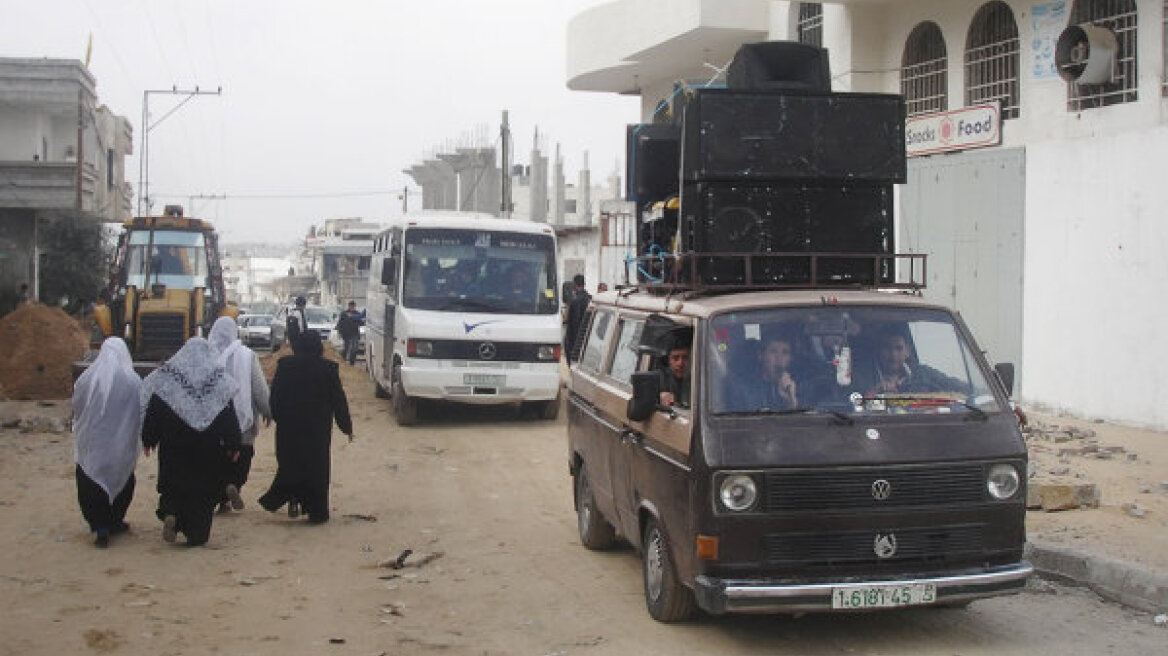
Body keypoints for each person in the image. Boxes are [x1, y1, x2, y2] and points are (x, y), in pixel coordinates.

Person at [140, 338, 242, 546]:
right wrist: (234, 443)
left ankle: (172, 515)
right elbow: (228, 416)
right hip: (207, 450)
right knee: (202, 494)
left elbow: (155, 411)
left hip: (174, 448)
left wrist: (149, 439)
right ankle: (196, 534)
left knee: (174, 486)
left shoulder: (169, 379)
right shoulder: (218, 381)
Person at [259, 332, 354, 524]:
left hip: (289, 428)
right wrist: (347, 427)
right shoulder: (328, 369)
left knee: (290, 464)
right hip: (316, 430)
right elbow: (338, 401)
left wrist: (278, 417)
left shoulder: (285, 366)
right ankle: (316, 512)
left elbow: (275, 396)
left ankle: (291, 500)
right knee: (316, 469)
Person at [71, 337, 141, 548]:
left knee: (91, 482)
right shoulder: (132, 380)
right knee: (123, 481)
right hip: (120, 444)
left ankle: (100, 527)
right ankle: (115, 521)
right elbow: (139, 411)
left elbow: (77, 407)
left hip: (93, 444)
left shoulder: (86, 379)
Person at [208, 316, 272, 514]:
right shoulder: (247, 355)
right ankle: (233, 486)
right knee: (242, 456)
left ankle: (220, 498)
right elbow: (258, 387)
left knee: (217, 459)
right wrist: (268, 410)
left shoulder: (206, 354)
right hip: (243, 418)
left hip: (214, 421)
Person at [857, 326, 968, 396]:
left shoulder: (924, 374)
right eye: (887, 348)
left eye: (899, 348)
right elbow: (848, 405)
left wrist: (980, 393)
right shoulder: (861, 376)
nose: (893, 354)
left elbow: (954, 385)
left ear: (908, 352)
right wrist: (874, 391)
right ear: (879, 350)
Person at [736, 331, 800, 411]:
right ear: (761, 355)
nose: (779, 358)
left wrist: (790, 400)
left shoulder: (799, 387)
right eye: (773, 351)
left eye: (785, 352)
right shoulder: (745, 389)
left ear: (791, 358)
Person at [564, 274, 590, 364]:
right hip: (587, 340)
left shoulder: (574, 301)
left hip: (574, 341)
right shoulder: (590, 299)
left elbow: (573, 323)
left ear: (574, 285)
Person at [658, 341, 691, 409]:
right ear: (669, 361)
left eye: (685, 358)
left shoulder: (702, 381)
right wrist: (658, 398)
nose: (680, 363)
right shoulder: (659, 378)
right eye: (675, 358)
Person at [335, 301, 362, 365]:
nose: (352, 307)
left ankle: (352, 362)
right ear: (349, 306)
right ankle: (343, 359)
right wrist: (339, 332)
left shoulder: (357, 314)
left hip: (355, 334)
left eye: (353, 306)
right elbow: (340, 324)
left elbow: (361, 323)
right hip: (346, 334)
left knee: (355, 348)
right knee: (347, 348)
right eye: (351, 306)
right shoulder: (344, 314)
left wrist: (357, 320)